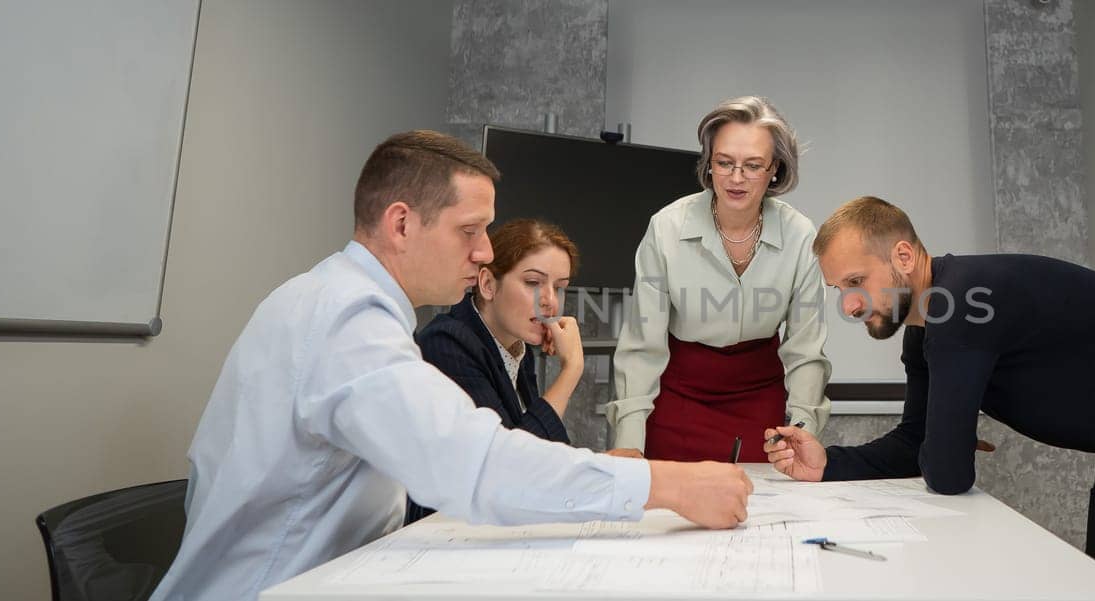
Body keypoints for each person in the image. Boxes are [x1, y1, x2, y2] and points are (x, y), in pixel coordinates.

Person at [150, 130, 752, 601]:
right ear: (402, 223)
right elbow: (473, 461)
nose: (485, 252)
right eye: (471, 230)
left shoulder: (343, 304)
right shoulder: (344, 322)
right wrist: (667, 484)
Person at [762, 196, 1095, 601]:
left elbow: (948, 472)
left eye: (856, 281)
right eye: (839, 291)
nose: (850, 306)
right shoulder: (925, 330)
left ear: (903, 255)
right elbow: (918, 445)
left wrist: (944, 444)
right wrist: (830, 463)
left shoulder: (960, 303)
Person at [607, 96, 831, 462]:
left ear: (775, 168)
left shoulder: (800, 235)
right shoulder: (667, 227)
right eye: (724, 163)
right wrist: (630, 440)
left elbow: (806, 350)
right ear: (708, 164)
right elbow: (641, 346)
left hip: (760, 400)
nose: (736, 178)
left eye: (753, 165)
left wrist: (803, 429)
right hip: (680, 397)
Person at [407, 219, 633, 523]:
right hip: (438, 535)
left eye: (560, 287)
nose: (550, 302)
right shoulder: (447, 344)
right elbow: (505, 475)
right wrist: (570, 371)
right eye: (532, 283)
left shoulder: (515, 347)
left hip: (485, 529)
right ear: (487, 284)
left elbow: (536, 457)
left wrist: (596, 466)